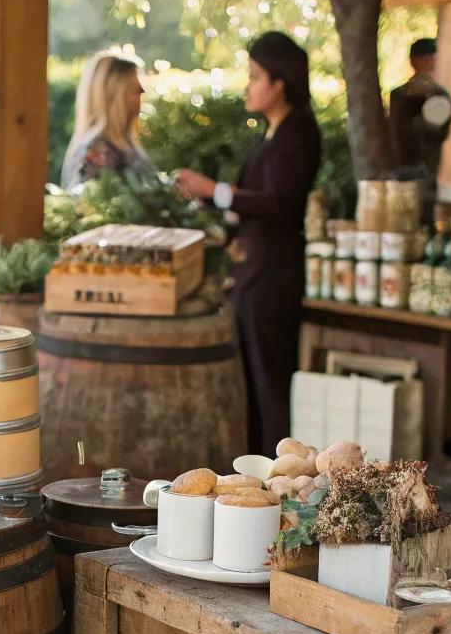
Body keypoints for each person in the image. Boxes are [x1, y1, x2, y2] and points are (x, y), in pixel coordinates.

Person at [174, 32, 321, 455]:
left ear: (279, 82)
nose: (248, 84)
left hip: (273, 277)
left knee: (269, 383)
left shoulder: (299, 133)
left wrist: (215, 190)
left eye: (255, 75)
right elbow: (255, 202)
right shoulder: (272, 134)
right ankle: (255, 475)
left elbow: (279, 204)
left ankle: (279, 479)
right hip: (253, 272)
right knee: (253, 385)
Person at [60, 50, 152, 190]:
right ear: (115, 97)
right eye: (136, 90)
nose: (143, 93)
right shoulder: (97, 153)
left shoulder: (123, 145)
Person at [388, 36, 451, 179]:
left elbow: (438, 132)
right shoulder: (399, 95)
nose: (429, 62)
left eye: (431, 58)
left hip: (421, 170)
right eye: (426, 58)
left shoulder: (439, 96)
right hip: (404, 168)